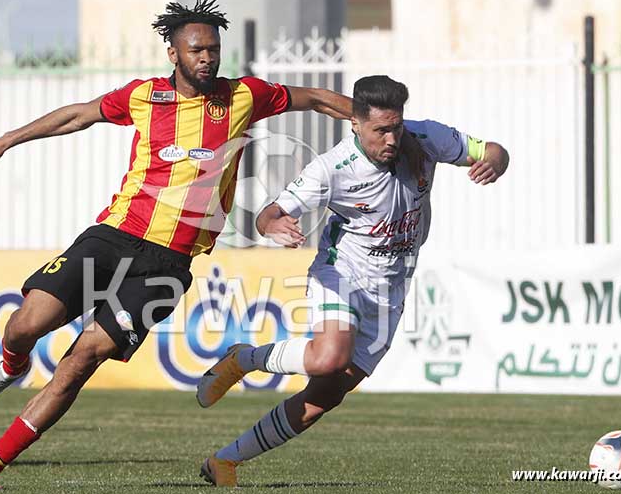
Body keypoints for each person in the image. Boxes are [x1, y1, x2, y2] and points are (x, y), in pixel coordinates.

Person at [0, 0, 352, 490]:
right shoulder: (144, 96)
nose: (207, 58)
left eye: (213, 49)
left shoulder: (245, 96)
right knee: (25, 326)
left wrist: (373, 122)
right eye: (196, 50)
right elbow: (77, 116)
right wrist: (4, 141)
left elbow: (314, 97)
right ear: (173, 53)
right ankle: (11, 366)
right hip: (114, 235)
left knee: (83, 357)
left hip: (169, 264)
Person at [196, 74, 510, 487]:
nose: (392, 139)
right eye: (381, 130)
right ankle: (244, 359)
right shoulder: (332, 168)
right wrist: (275, 226)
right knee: (330, 357)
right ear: (356, 125)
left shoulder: (425, 138)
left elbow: (493, 150)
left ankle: (225, 461)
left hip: (392, 286)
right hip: (340, 272)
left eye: (396, 127)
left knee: (324, 397)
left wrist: (495, 162)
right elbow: (269, 213)